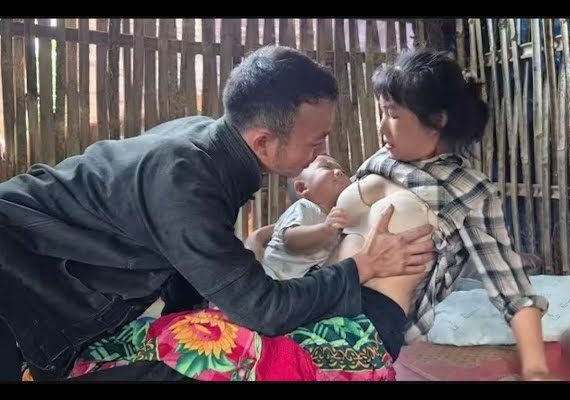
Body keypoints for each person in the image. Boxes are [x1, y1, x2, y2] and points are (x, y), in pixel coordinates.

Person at [0, 45, 436, 381]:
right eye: (315, 141)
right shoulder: (185, 180)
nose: (323, 150)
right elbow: (264, 309)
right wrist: (360, 267)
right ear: (264, 142)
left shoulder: (205, 145)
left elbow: (191, 267)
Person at [331, 46, 552, 381]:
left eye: (392, 115)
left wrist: (536, 369)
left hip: (368, 325)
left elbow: (511, 288)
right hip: (320, 293)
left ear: (437, 121)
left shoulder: (469, 189)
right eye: (381, 113)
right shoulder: (380, 161)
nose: (382, 128)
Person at [261, 154, 352, 280]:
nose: (338, 172)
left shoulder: (337, 220)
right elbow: (290, 240)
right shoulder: (305, 207)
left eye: (343, 172)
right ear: (302, 187)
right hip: (272, 277)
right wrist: (325, 230)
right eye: (326, 167)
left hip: (298, 285)